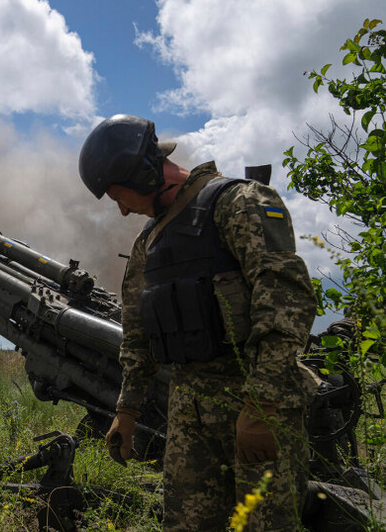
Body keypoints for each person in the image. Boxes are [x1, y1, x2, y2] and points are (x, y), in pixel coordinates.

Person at [78, 114, 317, 530]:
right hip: (189, 412)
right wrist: (128, 409)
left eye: (121, 196)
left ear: (147, 173)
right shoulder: (148, 243)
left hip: (257, 403)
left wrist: (262, 406)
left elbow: (284, 302)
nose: (120, 211)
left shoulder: (238, 202)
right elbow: (137, 333)